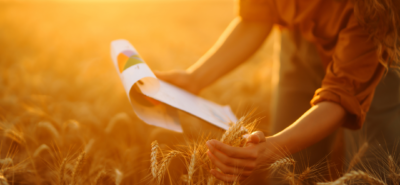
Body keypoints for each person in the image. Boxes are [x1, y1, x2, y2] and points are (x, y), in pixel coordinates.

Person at [155, 0, 400, 182]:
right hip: (298, 36)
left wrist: (273, 148)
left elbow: (340, 96)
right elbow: (259, 14)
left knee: (371, 169)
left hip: (378, 46)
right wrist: (194, 78)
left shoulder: (378, 8)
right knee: (287, 173)